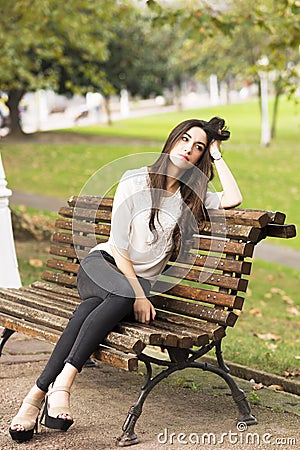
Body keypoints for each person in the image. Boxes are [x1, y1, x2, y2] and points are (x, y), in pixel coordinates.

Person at [9, 116, 242, 442]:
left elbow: (234, 197)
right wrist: (140, 295)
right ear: (172, 140)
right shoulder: (135, 179)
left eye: (198, 147)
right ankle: (62, 385)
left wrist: (217, 151)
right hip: (102, 266)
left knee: (87, 311)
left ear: (201, 157)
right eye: (185, 139)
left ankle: (34, 397)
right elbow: (119, 248)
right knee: (121, 295)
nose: (189, 149)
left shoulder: (192, 197)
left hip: (126, 288)